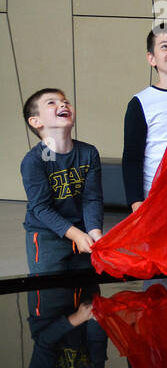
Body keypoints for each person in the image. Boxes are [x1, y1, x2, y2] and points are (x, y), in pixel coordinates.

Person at [21, 88, 103, 274]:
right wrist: (76, 235)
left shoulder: (89, 153)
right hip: (46, 235)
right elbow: (41, 208)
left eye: (65, 101)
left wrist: (94, 232)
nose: (63, 104)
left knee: (88, 295)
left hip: (83, 231)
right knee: (52, 296)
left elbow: (92, 199)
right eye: (52, 102)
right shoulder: (34, 160)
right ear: (36, 121)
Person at [122, 23, 167, 212]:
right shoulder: (141, 102)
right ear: (151, 58)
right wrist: (136, 203)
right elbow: (132, 157)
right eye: (165, 46)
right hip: (156, 198)